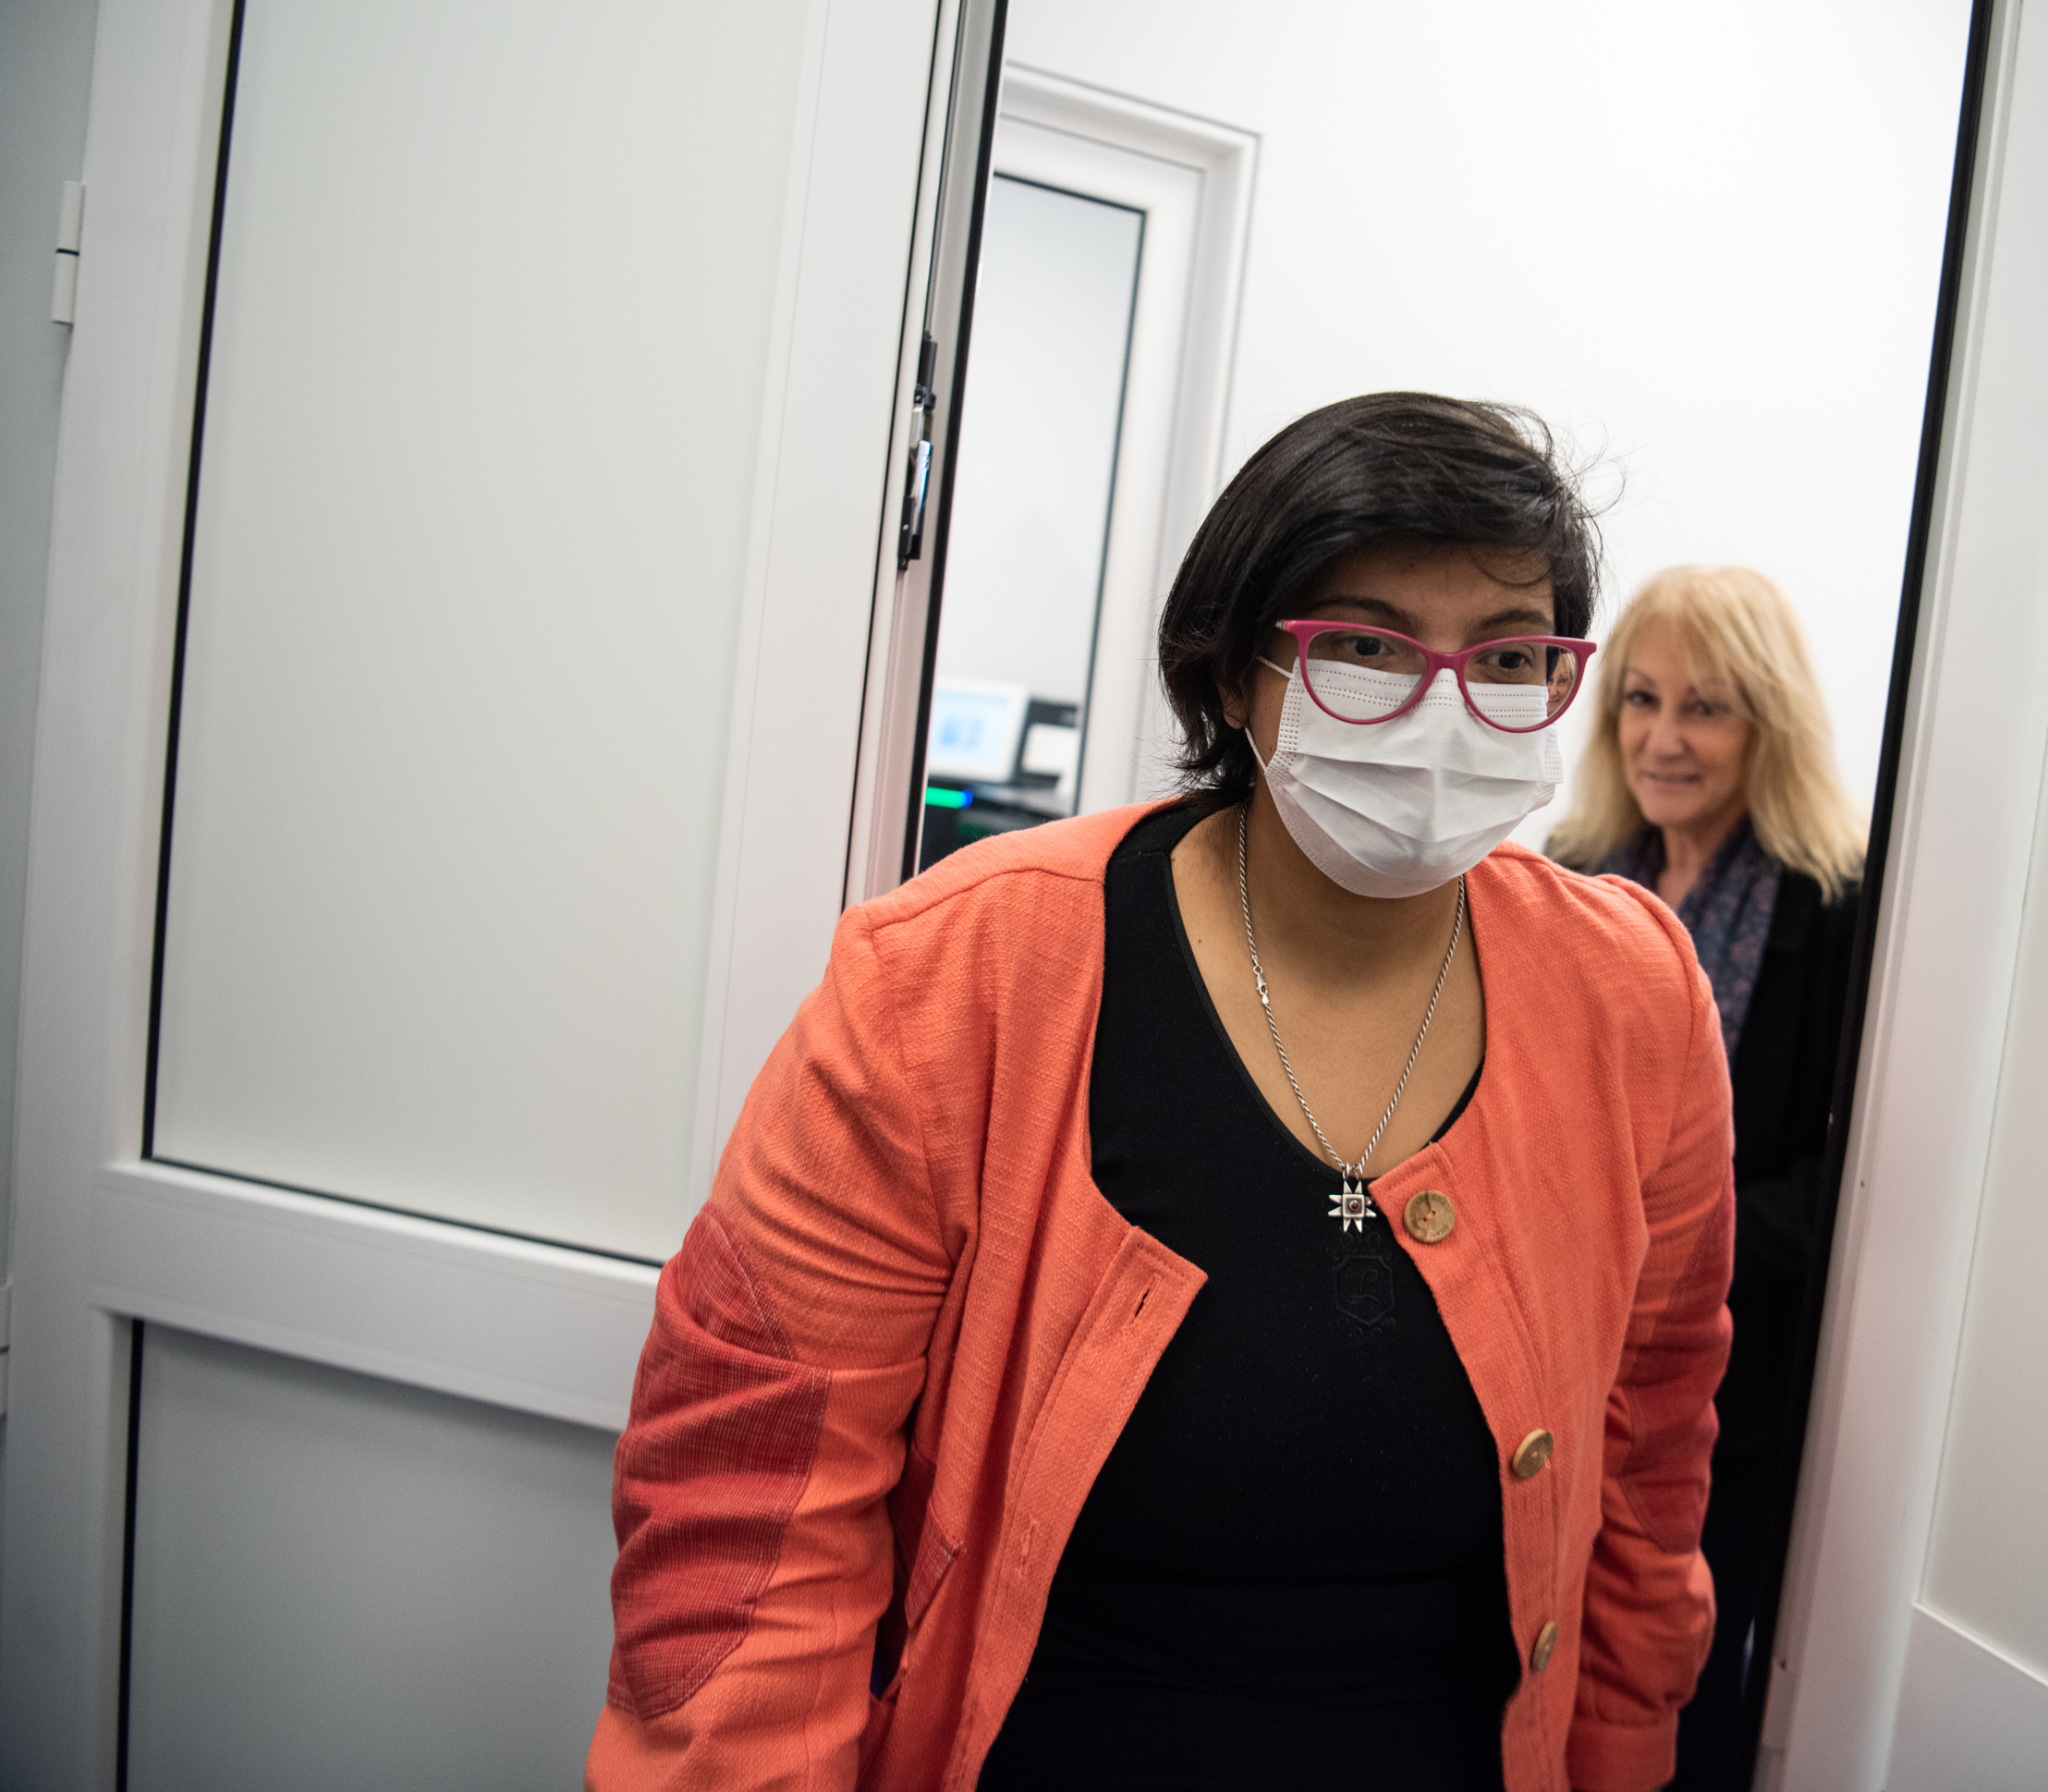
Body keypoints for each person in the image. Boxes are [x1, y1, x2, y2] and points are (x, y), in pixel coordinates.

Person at [587, 394, 1737, 1792]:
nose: (1441, 711)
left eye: (1505, 656)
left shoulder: (1635, 998)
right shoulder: (952, 978)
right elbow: (752, 1514)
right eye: (1366, 646)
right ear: (1234, 671)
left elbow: (1650, 1457)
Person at [1549, 567, 1867, 1792]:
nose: (1663, 738)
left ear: (1769, 724)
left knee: (1677, 1673)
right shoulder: (1573, 872)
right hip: (1561, 1341)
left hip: (1729, 1370)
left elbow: (1843, 1184)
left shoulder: (1836, 905)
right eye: (1640, 698)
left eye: (1707, 708)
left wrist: (1664, 1244)